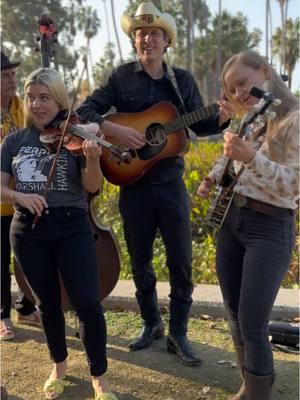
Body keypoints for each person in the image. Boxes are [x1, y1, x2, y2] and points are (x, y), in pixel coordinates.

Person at [77, 1, 231, 366]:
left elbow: (201, 126)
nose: (147, 39)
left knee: (181, 261)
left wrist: (222, 117)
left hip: (170, 185)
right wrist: (114, 128)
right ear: (134, 41)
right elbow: (84, 112)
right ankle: (151, 324)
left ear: (167, 42)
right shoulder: (119, 78)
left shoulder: (182, 82)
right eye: (141, 33)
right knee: (141, 261)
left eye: (155, 34)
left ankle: (179, 332)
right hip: (133, 185)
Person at [0, 67, 117, 400]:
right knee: (47, 305)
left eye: (45, 98)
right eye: (32, 97)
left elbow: (93, 186)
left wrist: (92, 158)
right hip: (27, 229)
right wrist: (19, 196)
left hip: (72, 226)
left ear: (59, 100)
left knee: (88, 304)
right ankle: (59, 366)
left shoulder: (76, 136)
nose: (37, 105)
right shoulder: (14, 141)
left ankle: (99, 376)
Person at [197, 50, 299, 399]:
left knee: (253, 322)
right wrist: (213, 177)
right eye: (231, 89)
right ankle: (252, 383)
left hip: (270, 227)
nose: (238, 93)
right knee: (235, 315)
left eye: (243, 82)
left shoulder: (294, 118)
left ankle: (258, 394)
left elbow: (294, 185)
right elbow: (232, 158)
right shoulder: (255, 118)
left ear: (265, 71)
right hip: (233, 221)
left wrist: (252, 157)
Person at [0, 51, 41, 342]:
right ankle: (2, 316)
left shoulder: (20, 106)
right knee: (1, 262)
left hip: (23, 194)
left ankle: (25, 308)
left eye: (13, 74)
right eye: (5, 75)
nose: (12, 79)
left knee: (29, 257)